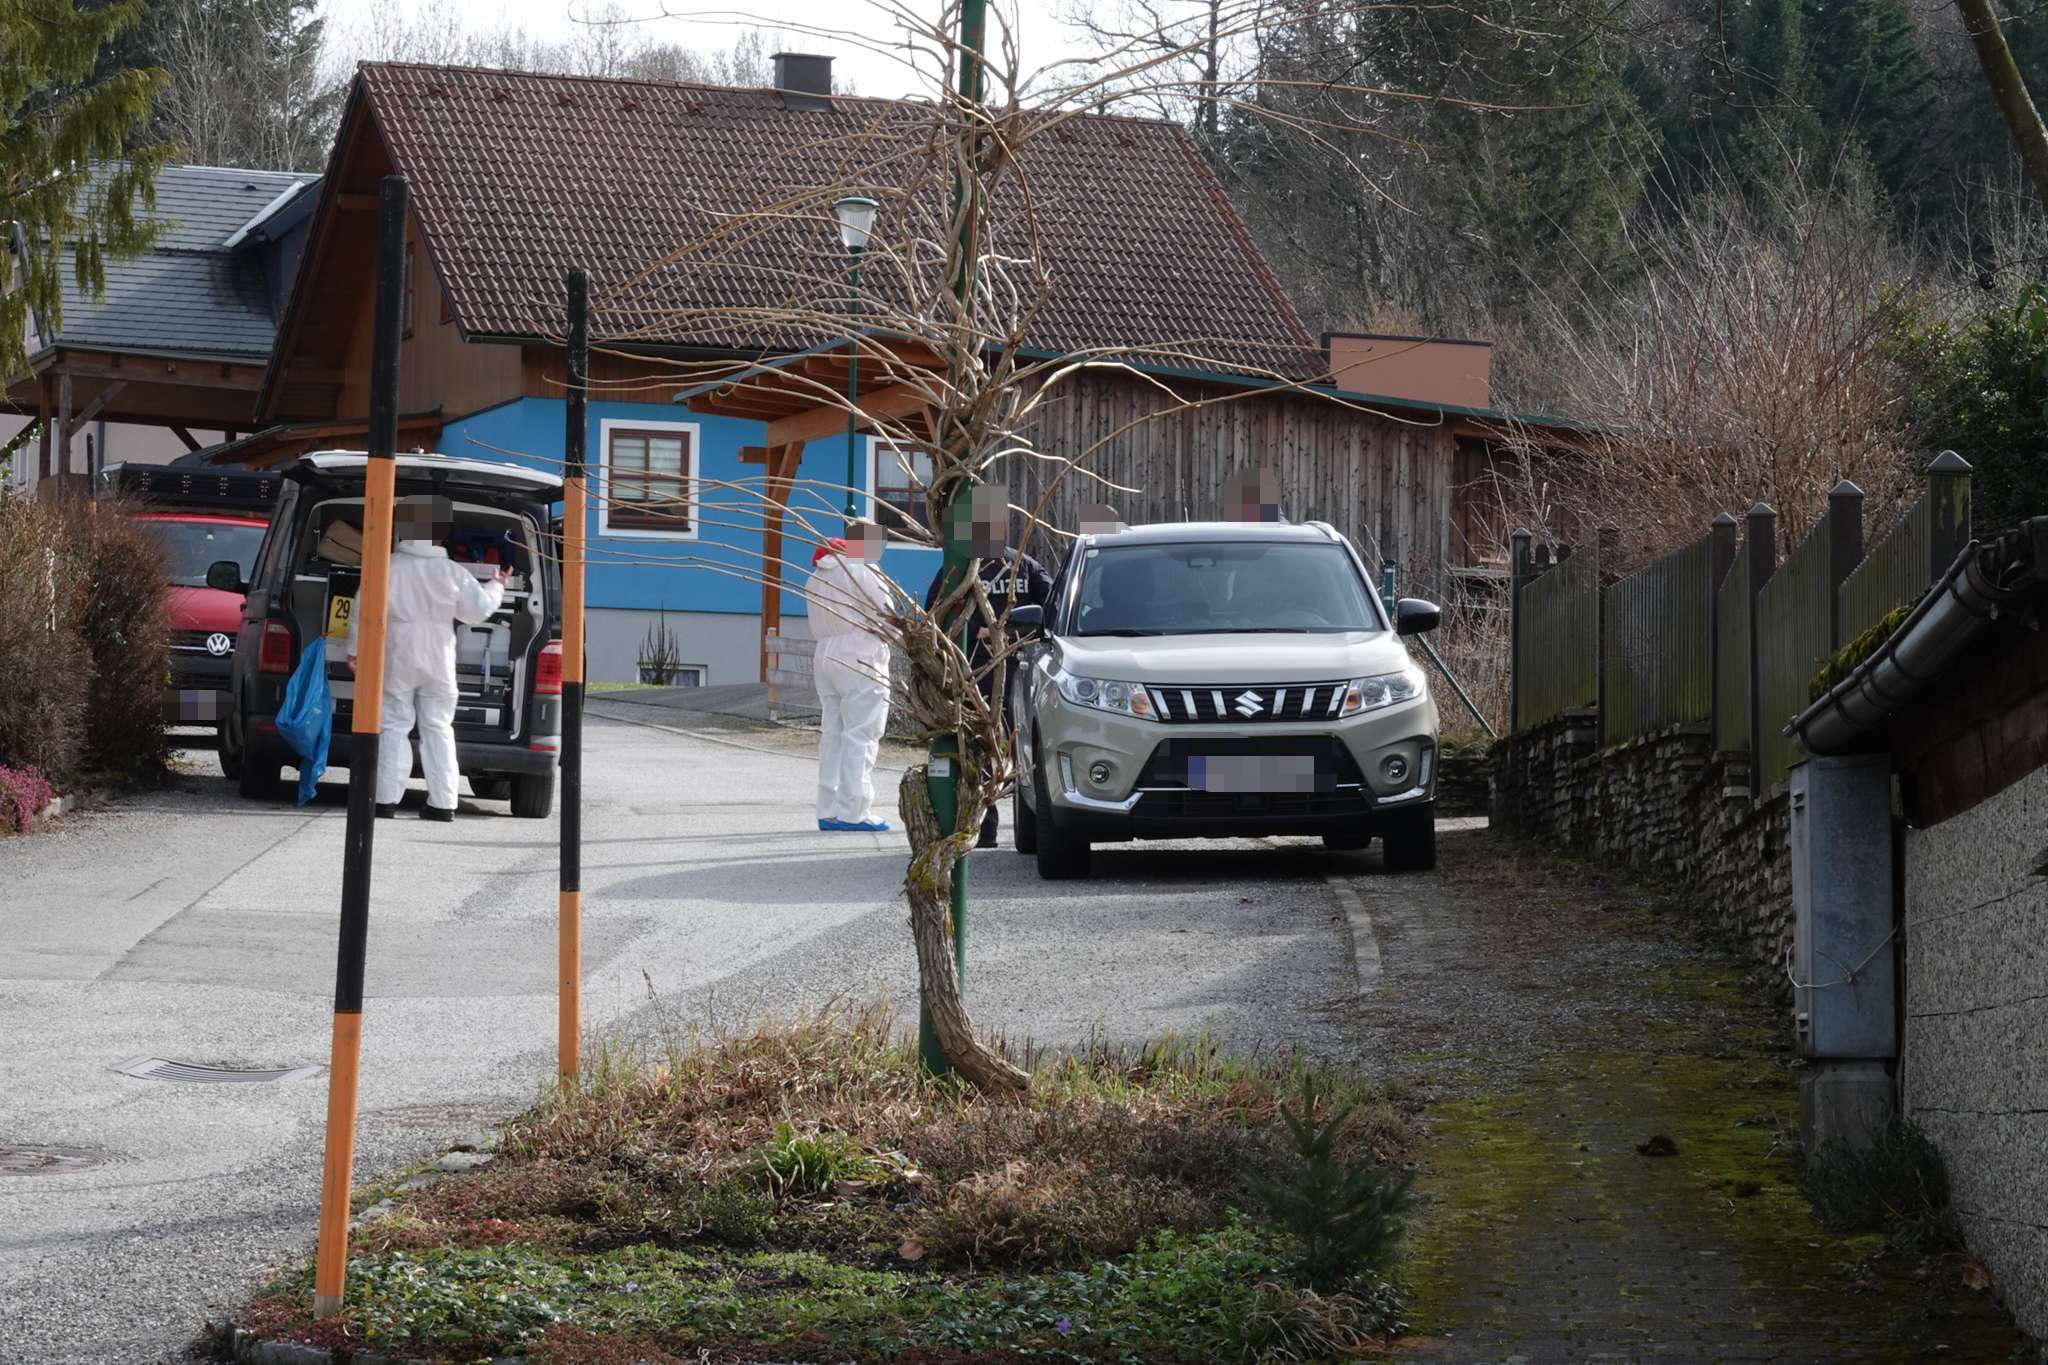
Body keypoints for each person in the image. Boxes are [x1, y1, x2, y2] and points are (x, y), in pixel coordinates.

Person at [347, 495, 506, 821]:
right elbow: (477, 612)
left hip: (397, 654)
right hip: (439, 658)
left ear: (403, 528)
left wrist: (354, 651)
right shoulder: (452, 571)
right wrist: (496, 586)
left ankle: (385, 800)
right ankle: (443, 803)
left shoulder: (386, 567)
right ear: (441, 533)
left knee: (392, 726)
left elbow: (361, 611)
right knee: (438, 728)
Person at [924, 487, 1054, 847]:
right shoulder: (1011, 564)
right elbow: (935, 614)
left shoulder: (1010, 565)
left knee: (996, 748)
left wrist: (997, 630)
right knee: (1007, 748)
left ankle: (996, 829)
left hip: (1003, 671)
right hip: (993, 671)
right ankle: (989, 828)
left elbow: (934, 612)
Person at [806, 520, 895, 833]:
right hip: (861, 655)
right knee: (862, 734)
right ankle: (855, 811)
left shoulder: (817, 574)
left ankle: (828, 808)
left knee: (834, 734)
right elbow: (887, 616)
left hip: (825, 654)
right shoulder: (864, 571)